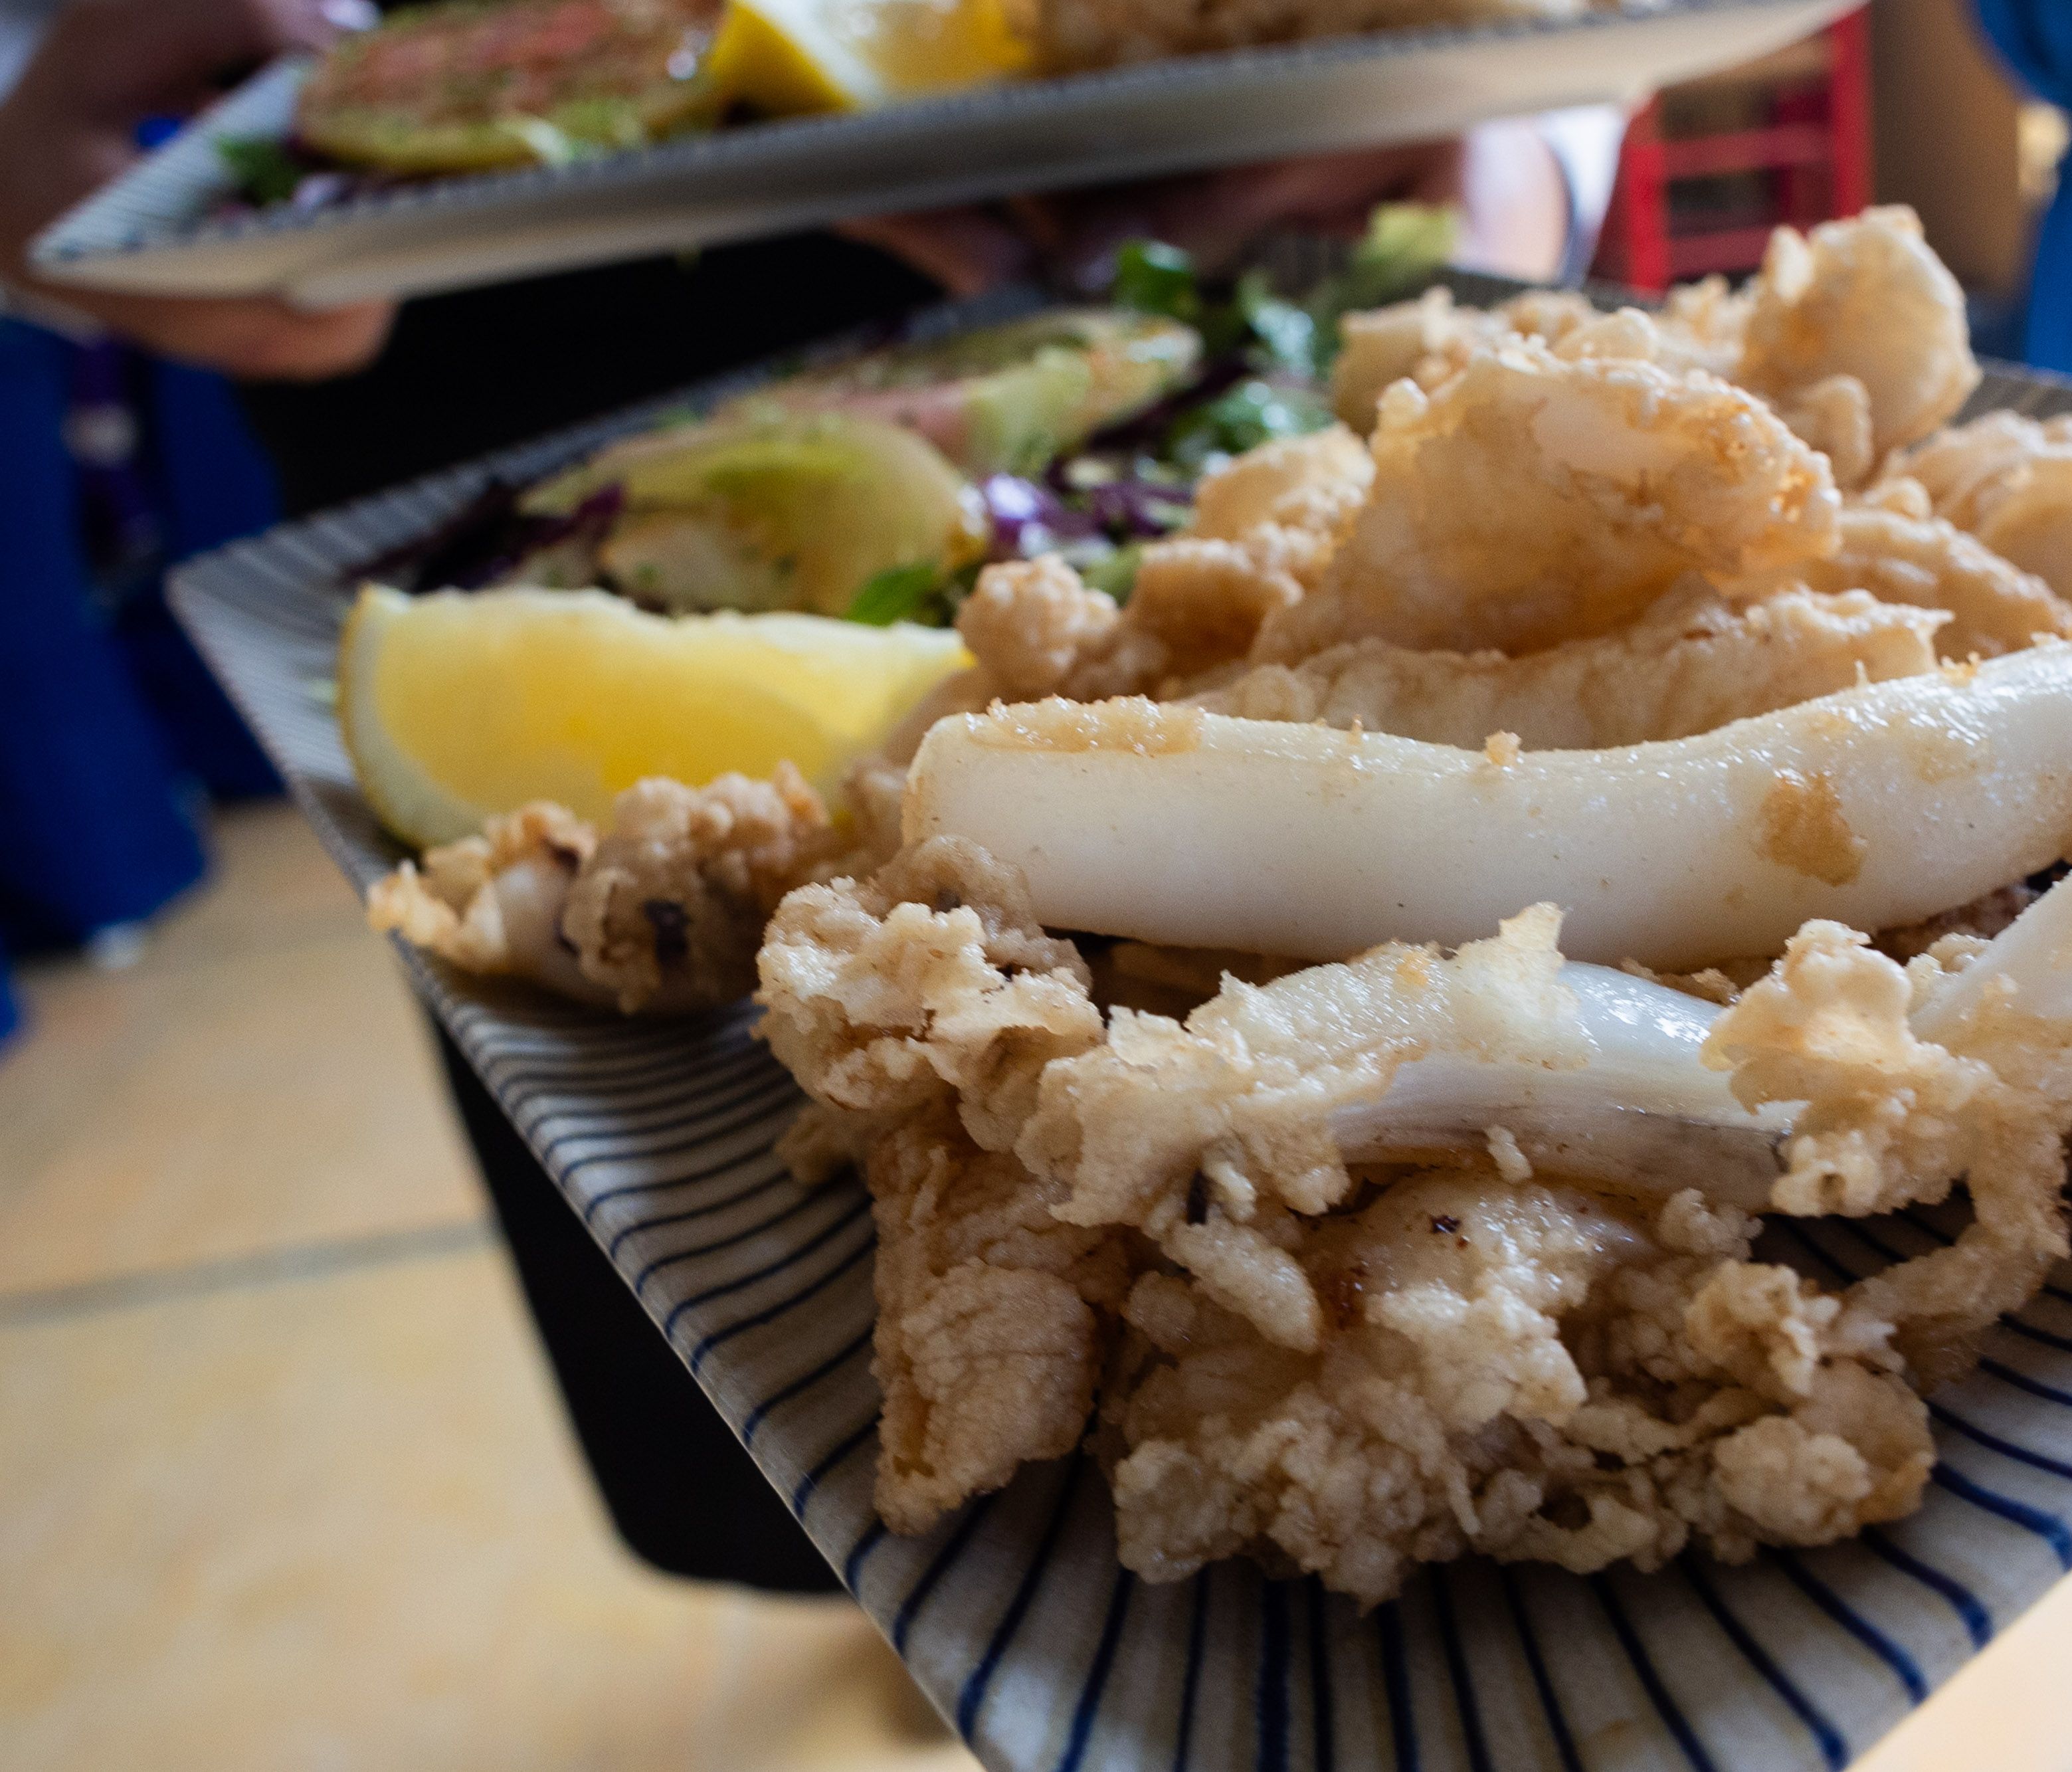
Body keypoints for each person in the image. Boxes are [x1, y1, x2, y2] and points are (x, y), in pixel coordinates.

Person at [0, 0, 1612, 1591]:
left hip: (1206, 295)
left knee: (1022, 1519)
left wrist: (1527, 143)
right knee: (722, 1370)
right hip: (462, 404)